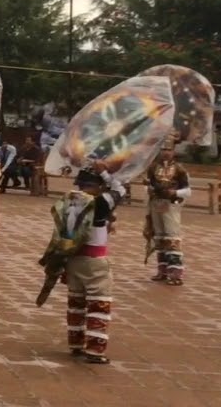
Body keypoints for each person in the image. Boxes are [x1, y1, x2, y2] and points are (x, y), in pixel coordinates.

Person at [37, 163, 127, 365]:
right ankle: (95, 350)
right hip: (94, 262)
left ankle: (76, 344)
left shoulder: (71, 202)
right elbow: (120, 189)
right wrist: (105, 172)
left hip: (73, 260)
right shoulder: (99, 202)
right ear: (98, 185)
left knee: (76, 304)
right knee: (99, 304)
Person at [145, 135, 191, 286]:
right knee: (159, 237)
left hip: (171, 204)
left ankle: (176, 274)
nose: (166, 152)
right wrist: (149, 190)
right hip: (156, 203)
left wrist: (174, 193)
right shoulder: (153, 167)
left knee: (172, 237)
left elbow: (187, 190)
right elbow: (149, 184)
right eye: (163, 149)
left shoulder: (179, 169)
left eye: (169, 150)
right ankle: (162, 271)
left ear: (173, 151)